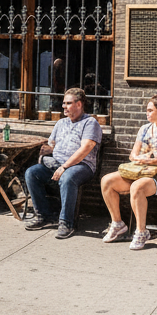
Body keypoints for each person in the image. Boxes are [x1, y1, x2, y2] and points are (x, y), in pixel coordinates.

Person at [100, 94, 157, 250]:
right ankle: (117, 224)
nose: (147, 113)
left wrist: (151, 160)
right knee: (107, 181)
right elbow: (132, 155)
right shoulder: (144, 129)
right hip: (139, 171)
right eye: (147, 110)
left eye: (150, 110)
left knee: (137, 187)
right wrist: (140, 158)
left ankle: (141, 231)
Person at [24, 88, 102, 239]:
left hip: (82, 166)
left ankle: (66, 223)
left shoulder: (90, 123)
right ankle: (44, 216)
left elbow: (85, 149)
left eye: (68, 103)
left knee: (67, 177)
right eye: (64, 103)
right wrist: (48, 150)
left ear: (79, 104)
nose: (63, 106)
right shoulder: (61, 123)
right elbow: (52, 144)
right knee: (32, 173)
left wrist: (64, 166)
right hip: (57, 164)